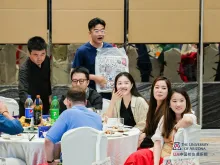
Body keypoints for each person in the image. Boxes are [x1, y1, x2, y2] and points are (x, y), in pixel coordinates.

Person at [45, 87, 102, 164]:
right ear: (85, 102)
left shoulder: (67, 114)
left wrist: (50, 161)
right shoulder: (97, 117)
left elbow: (48, 141)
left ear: (68, 102)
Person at [124, 76, 172, 164]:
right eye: (156, 87)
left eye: (163, 88)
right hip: (149, 143)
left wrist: (142, 140)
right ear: (153, 89)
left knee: (135, 156)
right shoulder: (152, 107)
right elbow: (149, 129)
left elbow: (161, 135)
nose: (159, 90)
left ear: (168, 91)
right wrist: (143, 135)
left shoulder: (168, 110)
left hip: (160, 147)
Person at [71, 17, 113, 99]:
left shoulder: (110, 48)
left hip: (108, 92)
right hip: (88, 93)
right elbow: (73, 73)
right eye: (96, 31)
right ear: (90, 33)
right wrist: (95, 78)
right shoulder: (82, 51)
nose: (100, 34)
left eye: (102, 30)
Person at [18, 36, 52, 116]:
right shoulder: (24, 68)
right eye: (36, 55)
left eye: (42, 54)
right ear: (29, 53)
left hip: (44, 103)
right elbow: (22, 92)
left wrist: (49, 96)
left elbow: (47, 80)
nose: (39, 58)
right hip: (29, 108)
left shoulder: (46, 60)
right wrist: (31, 106)